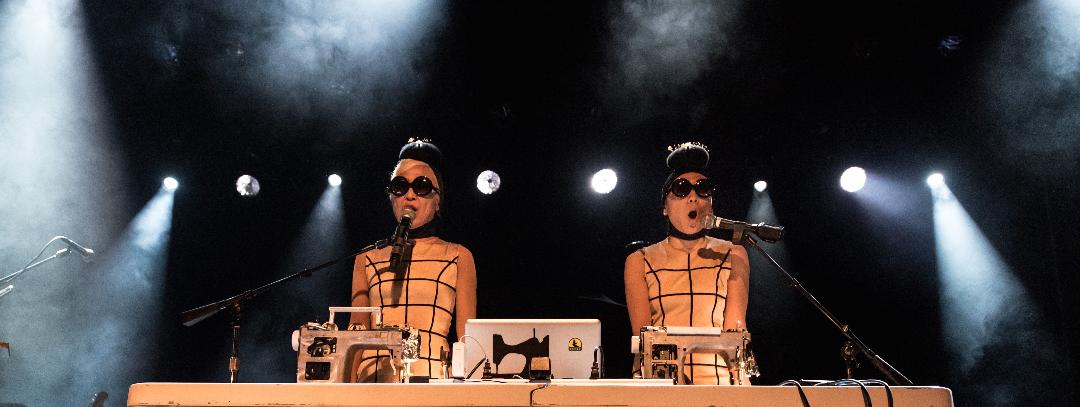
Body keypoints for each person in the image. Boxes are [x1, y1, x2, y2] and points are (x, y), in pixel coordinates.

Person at [623, 142, 751, 385]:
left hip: (719, 386)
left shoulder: (734, 254)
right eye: (682, 189)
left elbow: (736, 332)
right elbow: (643, 340)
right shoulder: (640, 260)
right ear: (665, 207)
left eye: (703, 189)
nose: (694, 197)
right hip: (662, 388)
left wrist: (742, 387)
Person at [350, 139, 477, 382]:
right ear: (391, 197)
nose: (409, 195)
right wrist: (341, 393)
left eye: (422, 186)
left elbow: (467, 338)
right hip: (370, 384)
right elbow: (356, 331)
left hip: (431, 380)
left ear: (437, 201)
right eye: (400, 186)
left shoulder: (458, 256)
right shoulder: (366, 257)